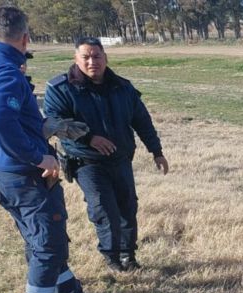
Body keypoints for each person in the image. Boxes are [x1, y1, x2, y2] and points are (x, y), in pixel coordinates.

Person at [0, 6, 112, 293]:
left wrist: (47, 127)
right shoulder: (6, 71)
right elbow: (0, 120)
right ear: (25, 37)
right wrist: (37, 157)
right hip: (23, 175)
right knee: (49, 246)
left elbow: (6, 120)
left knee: (41, 240)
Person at [44, 36, 169, 272]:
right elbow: (54, 123)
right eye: (86, 57)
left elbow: (142, 121)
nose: (92, 61)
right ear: (76, 59)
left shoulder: (122, 87)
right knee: (104, 208)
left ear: (105, 57)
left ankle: (127, 255)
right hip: (85, 161)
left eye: (97, 56)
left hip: (120, 159)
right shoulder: (60, 88)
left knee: (127, 207)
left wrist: (156, 151)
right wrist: (88, 137)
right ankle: (111, 256)